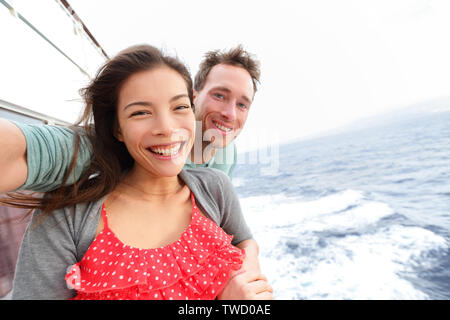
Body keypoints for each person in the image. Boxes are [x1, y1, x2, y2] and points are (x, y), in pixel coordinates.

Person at [8, 44, 272, 300]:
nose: (228, 113)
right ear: (196, 96)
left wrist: (243, 279)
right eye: (141, 112)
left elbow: (241, 238)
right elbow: (35, 150)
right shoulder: (70, 213)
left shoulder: (220, 173)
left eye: (242, 104)